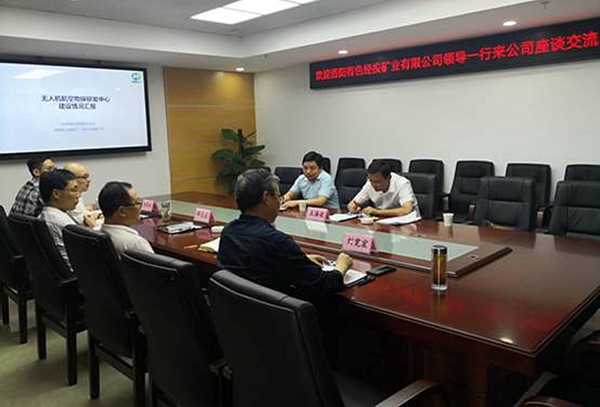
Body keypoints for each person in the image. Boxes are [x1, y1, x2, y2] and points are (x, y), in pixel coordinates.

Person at [218, 168, 352, 297]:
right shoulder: (276, 241)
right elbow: (325, 284)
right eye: (278, 196)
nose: (279, 201)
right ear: (266, 198)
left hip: (237, 309)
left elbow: (257, 261)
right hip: (274, 311)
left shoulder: (228, 232)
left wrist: (300, 260)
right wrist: (341, 266)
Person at [38, 169, 80, 270]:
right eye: (74, 190)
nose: (78, 195)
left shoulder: (43, 215)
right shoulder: (65, 224)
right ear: (56, 194)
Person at [347, 160, 420, 218]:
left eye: (377, 182)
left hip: (407, 222)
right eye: (371, 180)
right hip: (383, 221)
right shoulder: (370, 183)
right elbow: (353, 203)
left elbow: (407, 210)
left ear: (389, 178)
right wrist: (352, 207)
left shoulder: (402, 183)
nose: (373, 185)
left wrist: (377, 212)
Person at [99, 181, 154, 256]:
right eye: (137, 202)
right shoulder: (136, 243)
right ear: (122, 211)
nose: (141, 206)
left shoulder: (99, 234)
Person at [64, 162, 100, 228]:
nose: (89, 180)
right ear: (72, 179)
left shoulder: (77, 195)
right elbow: (86, 222)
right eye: (84, 177)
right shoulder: (71, 200)